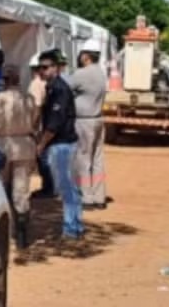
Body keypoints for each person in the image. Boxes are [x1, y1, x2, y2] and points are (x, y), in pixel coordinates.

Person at [35, 49, 84, 240]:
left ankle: (71, 228)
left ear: (56, 68)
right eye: (40, 68)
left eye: (46, 67)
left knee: (66, 188)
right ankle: (75, 225)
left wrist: (41, 144)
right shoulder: (52, 87)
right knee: (69, 187)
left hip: (62, 143)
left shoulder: (60, 89)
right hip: (62, 143)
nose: (42, 71)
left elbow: (54, 123)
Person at [0, 66, 38, 249]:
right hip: (24, 145)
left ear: (5, 80)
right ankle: (22, 234)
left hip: (3, 144)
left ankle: (7, 229)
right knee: (22, 189)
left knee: (2, 187)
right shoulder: (29, 100)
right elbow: (35, 119)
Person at [72, 40, 109, 210]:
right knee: (98, 159)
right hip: (98, 119)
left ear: (85, 56)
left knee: (83, 159)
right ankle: (99, 197)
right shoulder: (101, 74)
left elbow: (66, 89)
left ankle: (87, 197)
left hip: (84, 120)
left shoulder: (81, 74)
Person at [28, 52, 56, 199]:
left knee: (42, 157)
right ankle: (50, 186)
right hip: (45, 123)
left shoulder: (36, 84)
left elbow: (37, 108)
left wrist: (33, 127)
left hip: (39, 125)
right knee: (46, 156)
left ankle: (48, 187)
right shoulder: (47, 83)